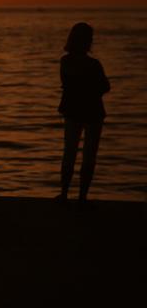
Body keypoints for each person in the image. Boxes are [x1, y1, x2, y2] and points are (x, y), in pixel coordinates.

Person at [58, 22, 110, 203]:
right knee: (89, 155)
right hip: (93, 112)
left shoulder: (65, 62)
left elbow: (68, 85)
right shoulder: (94, 64)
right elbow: (105, 87)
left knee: (70, 152)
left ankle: (64, 194)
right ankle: (82, 197)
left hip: (73, 111)